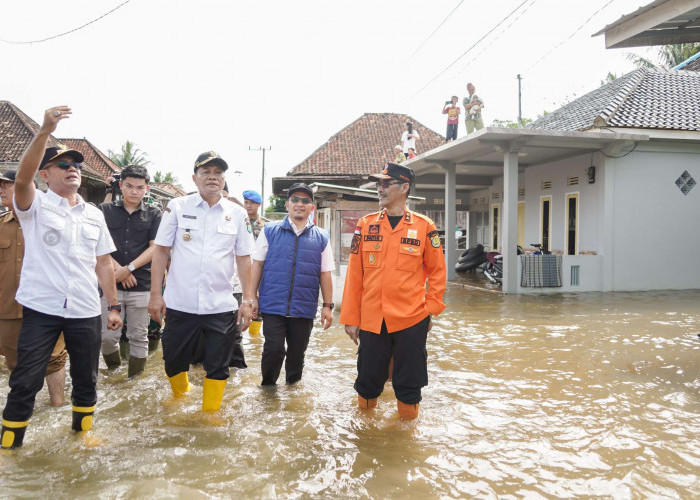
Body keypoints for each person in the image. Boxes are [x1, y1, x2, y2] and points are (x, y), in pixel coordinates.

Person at [0, 106, 123, 449]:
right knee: (25, 380)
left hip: (85, 309)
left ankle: (81, 437)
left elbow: (103, 263)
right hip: (42, 310)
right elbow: (21, 179)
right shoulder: (34, 205)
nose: (73, 170)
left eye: (77, 166)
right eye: (64, 165)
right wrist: (44, 131)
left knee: (87, 379)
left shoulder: (94, 215)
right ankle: (10, 448)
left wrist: (113, 307)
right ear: (47, 174)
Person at [148, 151, 255, 414]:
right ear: (194, 178)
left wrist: (249, 300)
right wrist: (155, 295)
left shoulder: (237, 214)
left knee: (218, 365)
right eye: (206, 172)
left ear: (223, 179)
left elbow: (244, 258)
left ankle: (210, 415)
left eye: (218, 173)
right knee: (173, 359)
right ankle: (181, 395)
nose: (212, 177)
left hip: (220, 305)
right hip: (179, 302)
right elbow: (161, 250)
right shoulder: (177, 207)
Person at [340, 162, 446, 421]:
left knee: (409, 385)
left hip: (411, 319)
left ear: (405, 188)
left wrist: (429, 310)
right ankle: (365, 436)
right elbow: (355, 275)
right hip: (373, 319)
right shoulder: (365, 226)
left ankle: (406, 440)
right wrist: (351, 318)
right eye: (379, 183)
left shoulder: (424, 226)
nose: (380, 188)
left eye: (387, 183)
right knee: (367, 380)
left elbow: (438, 273)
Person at [251, 183, 334, 385]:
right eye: (295, 200)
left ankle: (293, 393)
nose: (300, 204)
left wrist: (327, 306)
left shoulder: (321, 237)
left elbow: (325, 273)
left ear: (312, 207)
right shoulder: (270, 230)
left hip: (304, 307)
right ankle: (268, 389)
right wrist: (251, 297)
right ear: (287, 204)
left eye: (305, 201)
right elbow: (257, 264)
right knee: (274, 349)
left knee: (297, 354)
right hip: (272, 304)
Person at [0, 170, 67, 407]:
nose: (2, 190)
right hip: (7, 307)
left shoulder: (49, 224)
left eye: (7, 185)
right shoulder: (1, 225)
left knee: (55, 360)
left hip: (46, 305)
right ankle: (23, 409)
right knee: (15, 363)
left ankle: (57, 406)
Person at [98, 165, 162, 377]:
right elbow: (98, 245)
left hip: (141, 284)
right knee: (107, 336)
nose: (134, 191)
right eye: (129, 186)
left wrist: (130, 268)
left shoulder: (154, 214)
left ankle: (134, 379)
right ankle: (114, 372)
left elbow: (154, 248)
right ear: (120, 185)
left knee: (139, 335)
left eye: (139, 187)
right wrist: (119, 270)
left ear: (147, 189)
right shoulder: (104, 211)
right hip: (110, 284)